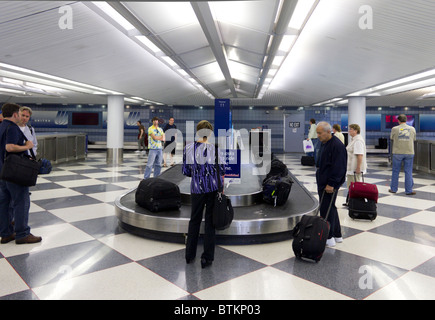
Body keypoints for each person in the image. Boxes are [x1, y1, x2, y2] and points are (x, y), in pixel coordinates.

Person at [182, 120, 225, 268]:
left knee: (194, 220)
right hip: (212, 189)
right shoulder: (215, 149)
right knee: (210, 223)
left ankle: (189, 255)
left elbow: (186, 171)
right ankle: (207, 258)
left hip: (196, 189)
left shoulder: (188, 148)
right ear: (210, 133)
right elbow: (222, 169)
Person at [0, 103, 42, 245]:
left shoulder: (1, 127)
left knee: (5, 203)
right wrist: (27, 146)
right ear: (15, 114)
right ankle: (22, 233)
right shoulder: (12, 128)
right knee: (21, 201)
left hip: (2, 172)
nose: (21, 116)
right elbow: (10, 147)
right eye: (20, 113)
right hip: (13, 171)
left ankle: (6, 233)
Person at [315, 121, 347, 247]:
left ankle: (328, 237)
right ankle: (337, 235)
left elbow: (339, 167)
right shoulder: (325, 143)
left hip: (329, 183)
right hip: (323, 179)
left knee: (325, 209)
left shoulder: (337, 146)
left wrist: (332, 184)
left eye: (320, 133)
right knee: (330, 207)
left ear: (329, 132)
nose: (318, 135)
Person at [389, 114, 417, 195]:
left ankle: (394, 189)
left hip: (397, 152)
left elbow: (392, 138)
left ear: (398, 120)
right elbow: (414, 139)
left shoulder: (394, 129)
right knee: (408, 171)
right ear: (406, 120)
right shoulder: (412, 129)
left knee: (395, 171)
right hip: (409, 152)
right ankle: (409, 190)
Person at [343, 124, 367, 206]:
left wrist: (358, 168)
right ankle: (350, 201)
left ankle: (355, 203)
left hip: (354, 168)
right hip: (351, 167)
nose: (349, 131)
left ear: (355, 131)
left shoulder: (358, 141)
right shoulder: (354, 140)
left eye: (351, 129)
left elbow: (360, 155)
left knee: (354, 186)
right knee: (351, 185)